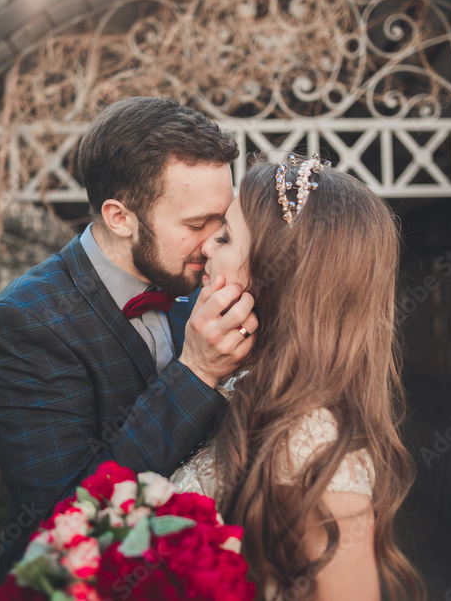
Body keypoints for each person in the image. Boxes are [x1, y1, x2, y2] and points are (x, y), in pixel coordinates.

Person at [0, 96, 259, 586]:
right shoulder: (21, 325)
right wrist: (198, 374)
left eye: (220, 221)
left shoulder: (208, 286)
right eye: (194, 225)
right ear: (119, 217)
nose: (213, 244)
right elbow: (63, 512)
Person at [170, 157, 424, 601]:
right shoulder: (239, 381)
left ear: (279, 272)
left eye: (226, 236)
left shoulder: (316, 439)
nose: (207, 247)